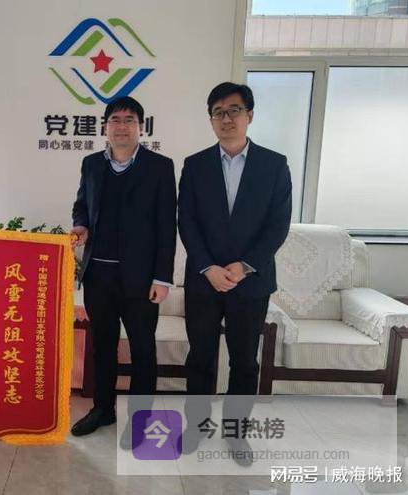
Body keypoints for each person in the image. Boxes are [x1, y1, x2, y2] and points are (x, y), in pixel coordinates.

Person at [178, 82, 291, 464]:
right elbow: (187, 221)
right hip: (204, 280)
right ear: (211, 119)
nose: (226, 118)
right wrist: (208, 267)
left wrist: (243, 266)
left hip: (251, 282)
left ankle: (236, 432)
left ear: (250, 115)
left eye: (234, 110)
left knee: (244, 361)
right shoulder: (195, 165)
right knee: (201, 357)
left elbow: (278, 225)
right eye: (218, 112)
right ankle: (196, 427)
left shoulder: (274, 165)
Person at [70, 96, 177, 442]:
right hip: (98, 276)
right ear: (105, 127)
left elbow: (166, 225)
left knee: (143, 348)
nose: (121, 126)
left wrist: (162, 278)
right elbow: (81, 205)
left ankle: (142, 419)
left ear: (140, 127)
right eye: (115, 120)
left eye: (129, 120)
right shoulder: (91, 164)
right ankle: (103, 409)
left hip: (141, 279)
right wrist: (81, 225)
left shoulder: (160, 167)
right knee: (102, 346)